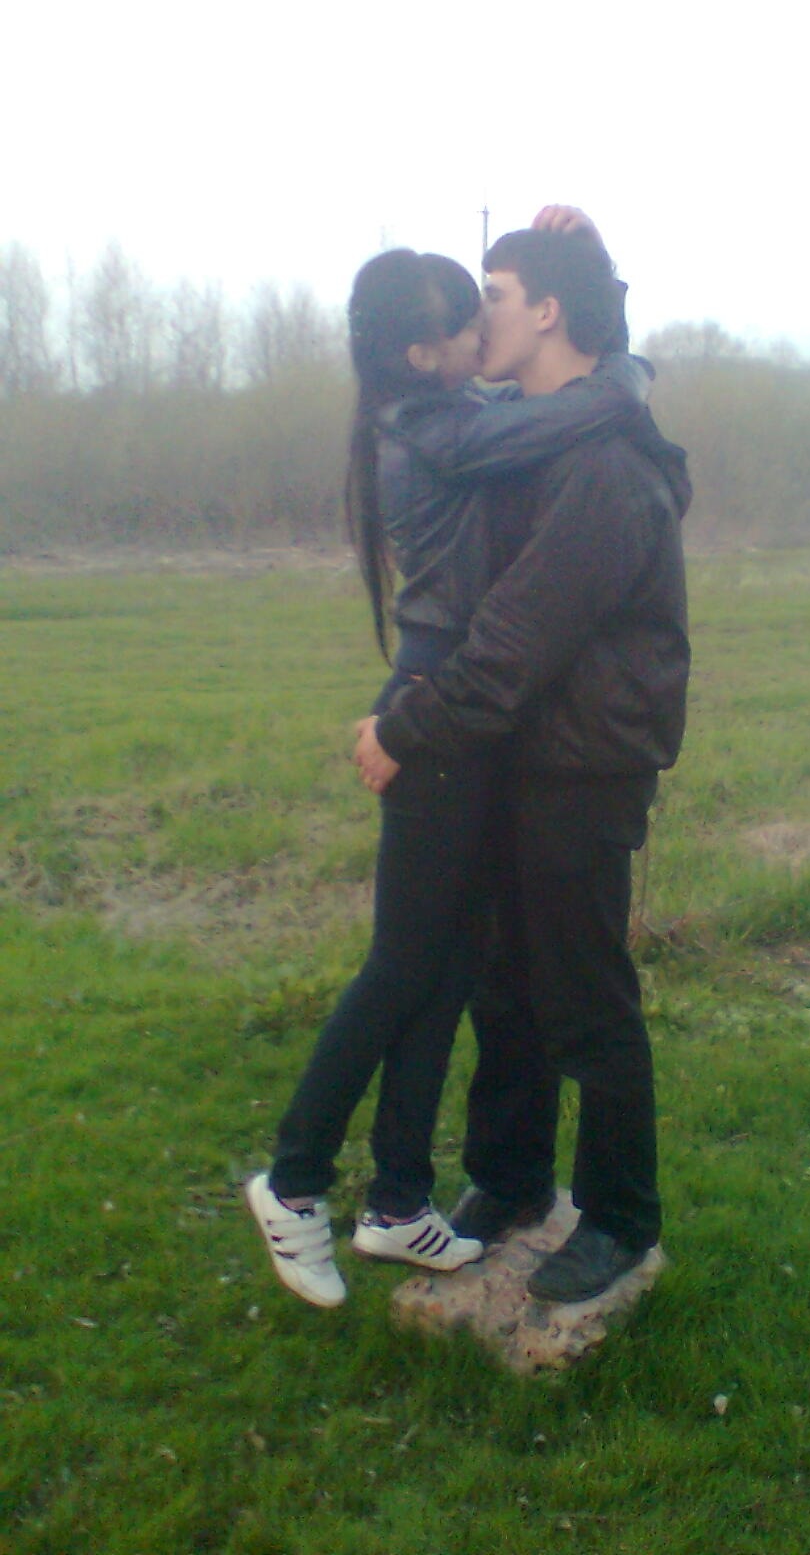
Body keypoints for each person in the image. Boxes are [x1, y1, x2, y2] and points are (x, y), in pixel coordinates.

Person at [246, 237, 650, 1308]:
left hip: (464, 712)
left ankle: (396, 1202)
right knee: (405, 963)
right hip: (438, 705)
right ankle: (293, 1180)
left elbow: (573, 392)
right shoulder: (441, 430)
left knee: (456, 958)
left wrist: (599, 289)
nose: (485, 329)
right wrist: (628, 373)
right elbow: (588, 404)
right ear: (424, 354)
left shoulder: (453, 408)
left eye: (491, 304)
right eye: (469, 319)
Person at [354, 224, 691, 1303]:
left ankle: (621, 1217)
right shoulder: (527, 433)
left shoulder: (604, 464)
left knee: (583, 995)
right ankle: (508, 1179)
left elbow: (516, 636)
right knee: (505, 985)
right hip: (513, 748)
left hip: (583, 761)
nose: (477, 313)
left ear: (545, 312)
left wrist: (405, 726)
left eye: (495, 292)